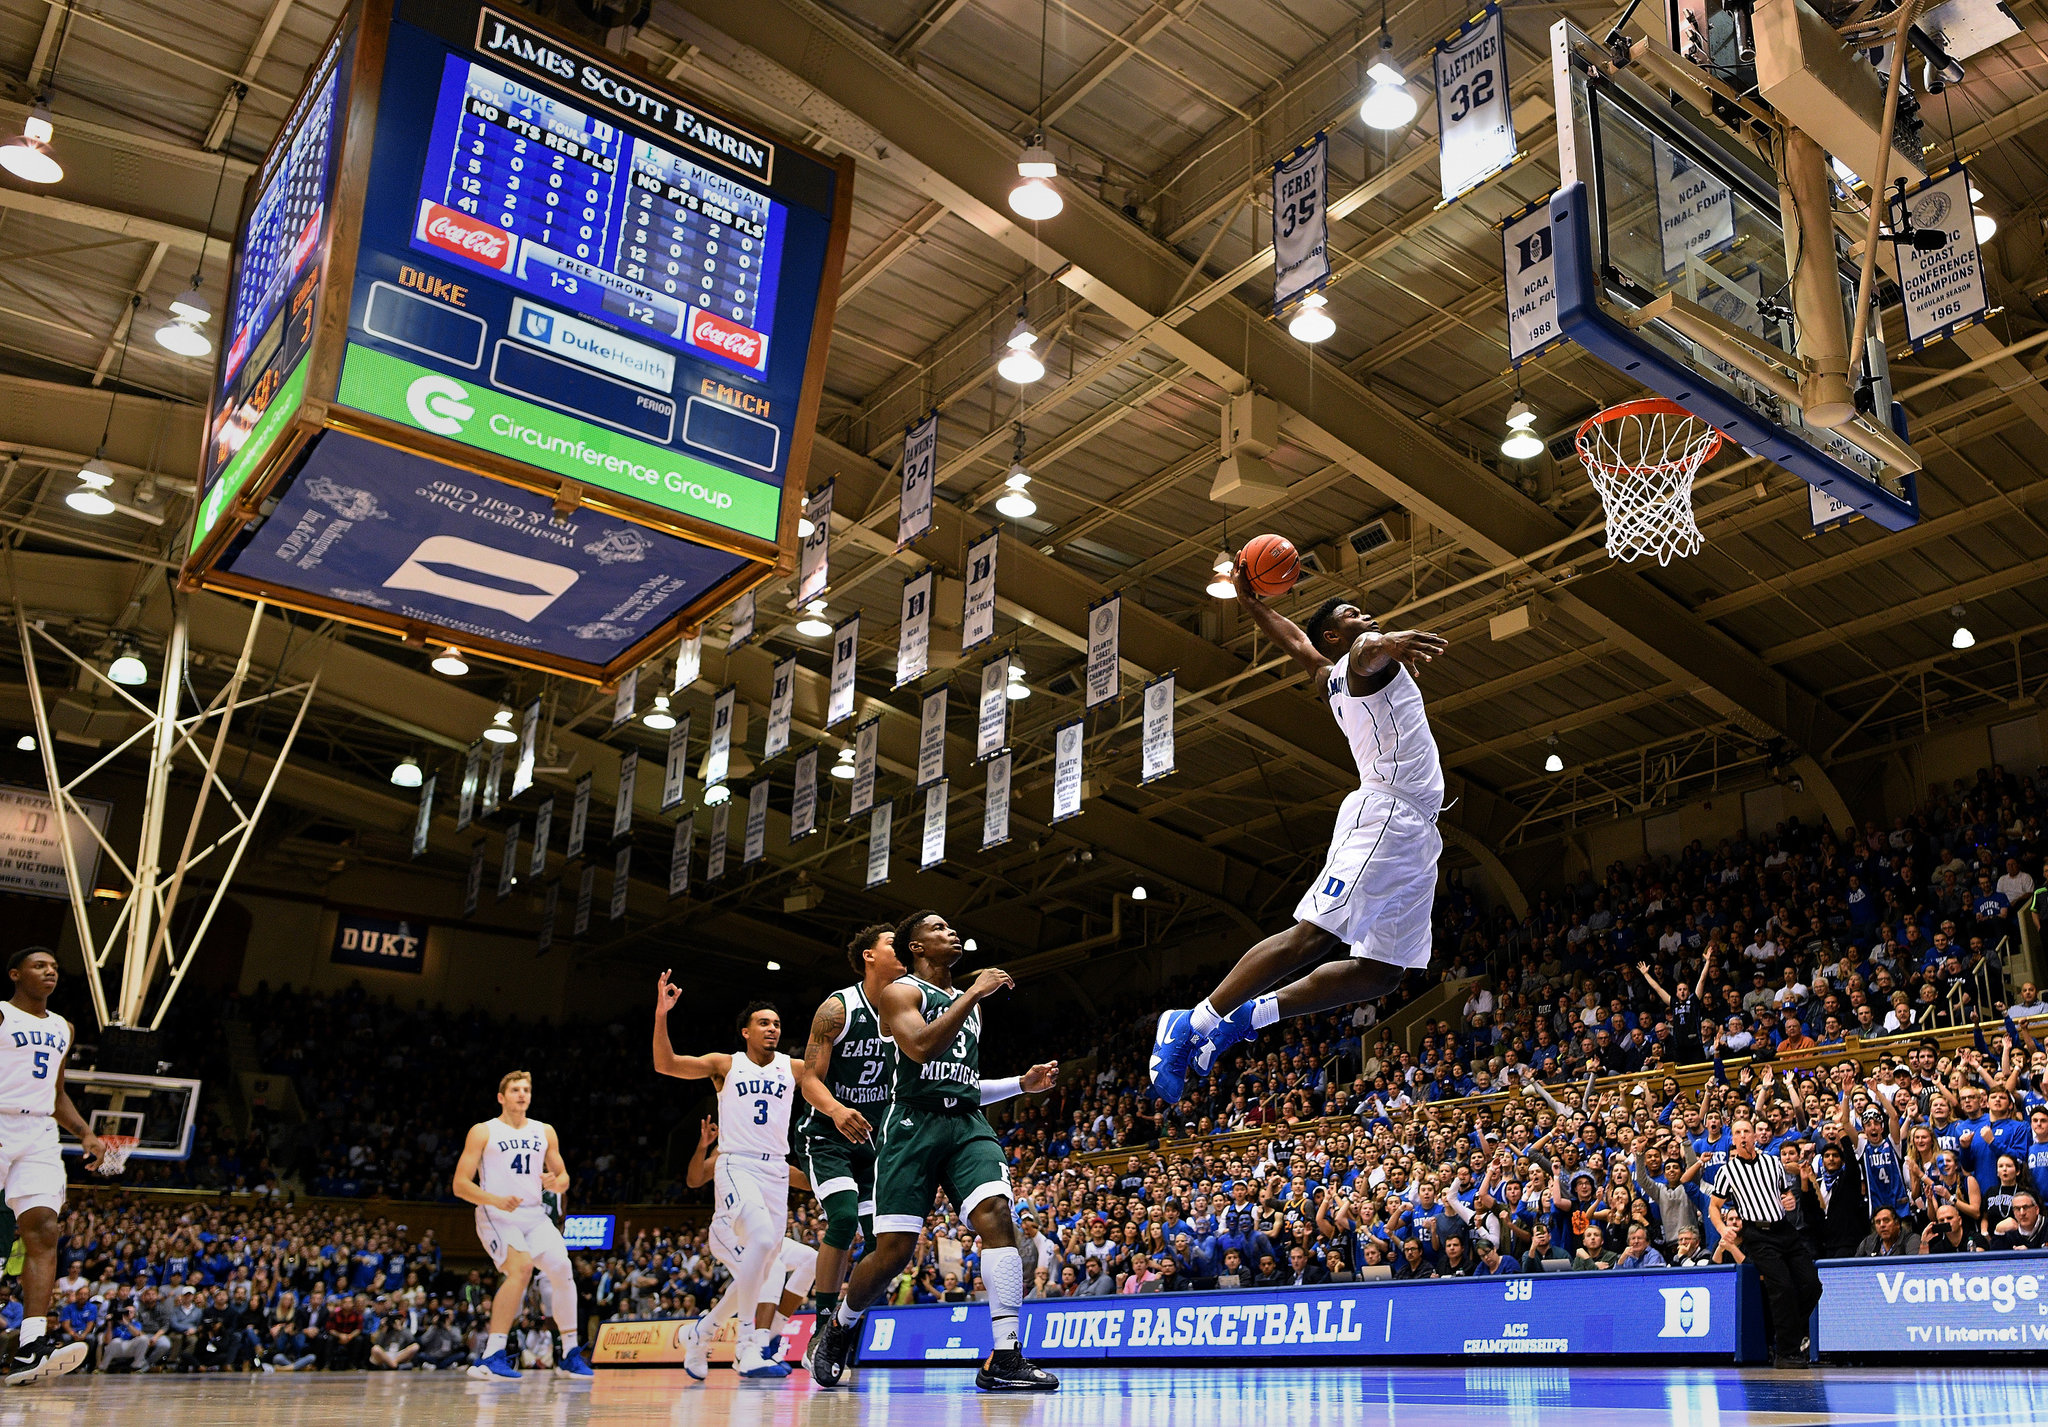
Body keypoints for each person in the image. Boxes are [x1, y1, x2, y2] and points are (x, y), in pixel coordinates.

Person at [1150, 581, 1447, 1103]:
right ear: (1336, 635)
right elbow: (1363, 649)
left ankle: (1247, 1015)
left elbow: (1298, 644)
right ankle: (1190, 1021)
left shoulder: (1327, 674)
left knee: (1382, 973)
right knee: (1313, 937)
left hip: (1418, 831)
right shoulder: (1360, 663)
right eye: (1354, 614)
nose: (1368, 616)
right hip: (1386, 815)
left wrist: (1253, 606)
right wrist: (1387, 640)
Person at [808, 912, 1060, 1392]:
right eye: (939, 928)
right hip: (911, 1125)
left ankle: (1005, 1356)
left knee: (997, 1216)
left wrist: (1020, 1085)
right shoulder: (901, 993)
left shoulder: (970, 1007)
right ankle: (840, 1325)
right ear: (917, 947)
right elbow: (922, 1048)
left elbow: (962, 1085)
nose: (952, 932)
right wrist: (973, 993)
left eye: (951, 927)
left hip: (964, 1124)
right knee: (894, 1253)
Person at [652, 981, 869, 1380]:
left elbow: (838, 1075)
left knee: (763, 1262)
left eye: (777, 1023)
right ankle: (749, 1345)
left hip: (775, 1171)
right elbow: (667, 1064)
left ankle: (704, 1330)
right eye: (763, 1023)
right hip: (737, 1164)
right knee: (765, 1248)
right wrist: (662, 1014)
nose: (772, 1028)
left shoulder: (795, 1069)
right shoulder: (726, 1064)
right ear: (746, 1031)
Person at [2, 947, 106, 1384]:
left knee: (45, 1228)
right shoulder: (2, 1015)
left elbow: (57, 1091)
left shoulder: (64, 1027)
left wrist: (85, 1132)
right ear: (15, 974)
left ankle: (30, 1345)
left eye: (55, 968)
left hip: (40, 1131)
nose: (50, 972)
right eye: (39, 966)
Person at [449, 1070, 592, 1380]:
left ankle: (569, 1354)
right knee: (522, 1268)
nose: (522, 1094)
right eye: (515, 1089)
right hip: (496, 1213)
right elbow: (460, 1185)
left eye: (526, 1089)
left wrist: (556, 1183)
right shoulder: (483, 1131)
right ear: (502, 1097)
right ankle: (491, 1356)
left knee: (562, 1270)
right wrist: (495, 1200)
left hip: (534, 1214)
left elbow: (564, 1178)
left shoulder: (545, 1131)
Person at [795, 925, 900, 1337]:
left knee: (883, 1244)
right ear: (870, 956)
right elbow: (808, 1079)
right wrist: (838, 1110)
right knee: (841, 1219)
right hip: (826, 1134)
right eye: (893, 942)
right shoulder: (837, 1009)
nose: (903, 948)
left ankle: (846, 1325)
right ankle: (821, 1327)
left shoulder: (906, 1007)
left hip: (875, 1141)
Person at [681, 1117, 820, 1377]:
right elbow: (694, 1179)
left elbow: (804, 1181)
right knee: (773, 1267)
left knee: (811, 1259)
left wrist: (831, 1167)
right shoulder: (728, 1149)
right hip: (729, 1232)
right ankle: (753, 1346)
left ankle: (712, 1333)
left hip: (764, 1235)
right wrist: (702, 1146)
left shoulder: (771, 1154)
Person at [1710, 1117, 1821, 1369]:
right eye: (1737, 1132)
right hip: (1757, 1234)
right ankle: (1786, 1351)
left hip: (1784, 1229)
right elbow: (1714, 1207)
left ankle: (1790, 1332)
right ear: (1733, 1140)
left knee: (1812, 1285)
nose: (1743, 1136)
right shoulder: (1728, 1171)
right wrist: (1722, 1228)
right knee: (1782, 1288)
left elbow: (1784, 1192)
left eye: (1746, 1131)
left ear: (1754, 1136)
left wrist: (1789, 1199)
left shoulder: (1773, 1163)